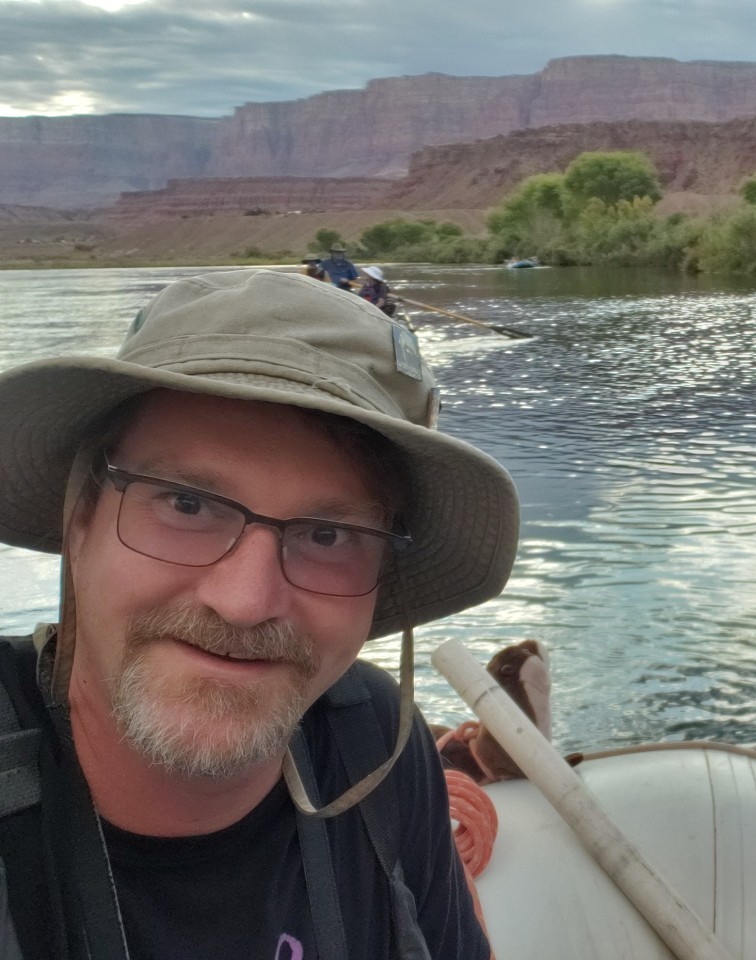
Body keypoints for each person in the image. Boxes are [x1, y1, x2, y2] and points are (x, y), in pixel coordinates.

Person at [0, 269, 519, 959]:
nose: (245, 603)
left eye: (328, 535)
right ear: (80, 520)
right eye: (187, 504)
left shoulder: (373, 744)